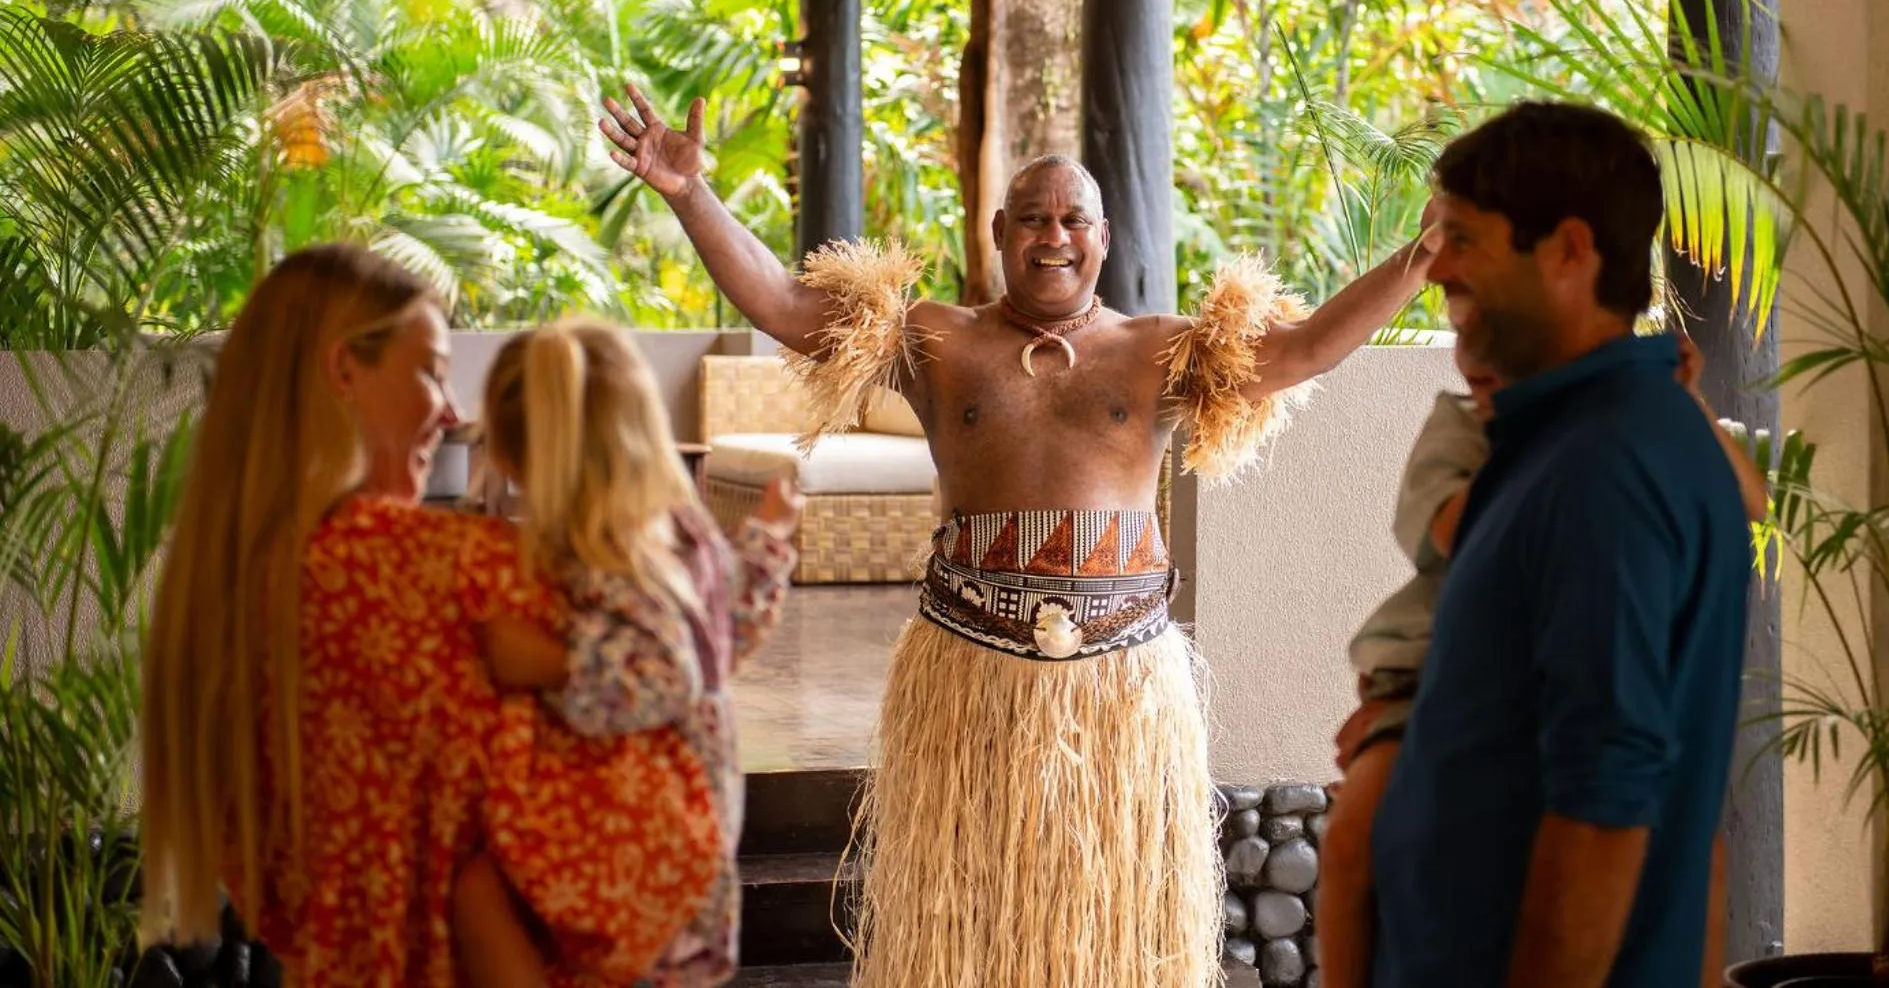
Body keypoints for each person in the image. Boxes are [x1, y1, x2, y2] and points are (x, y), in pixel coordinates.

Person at [599, 87, 1439, 988]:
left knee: (1104, 931)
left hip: (1120, 689)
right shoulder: (935, 339)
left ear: (1104, 238)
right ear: (1000, 232)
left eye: (1075, 218)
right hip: (968, 677)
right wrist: (690, 193)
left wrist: (1420, 258)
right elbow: (782, 304)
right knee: (967, 924)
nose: (1054, 234)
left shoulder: (1159, 348)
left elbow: (1305, 348)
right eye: (1033, 217)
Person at [1366, 101, 1754, 988]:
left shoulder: (1605, 469)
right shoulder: (1574, 441)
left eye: (1465, 237)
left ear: (1571, 250)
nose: (1441, 271)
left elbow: (1602, 812)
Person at [140, 244, 552, 985]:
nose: (454, 409)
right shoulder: (406, 566)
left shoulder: (232, 590)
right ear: (344, 372)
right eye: (430, 369)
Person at [1316, 333, 1769, 987]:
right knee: (1352, 835)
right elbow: (1454, 529)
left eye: (1490, 337)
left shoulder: (1609, 430)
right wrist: (1566, 440)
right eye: (1464, 336)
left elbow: (1748, 499)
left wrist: (1682, 401)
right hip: (1425, 672)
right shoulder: (1463, 429)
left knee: (1700, 859)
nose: (1475, 355)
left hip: (1554, 668)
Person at [451, 319, 801, 988]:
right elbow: (720, 644)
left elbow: (669, 671)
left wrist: (554, 662)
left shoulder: (604, 552)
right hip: (690, 845)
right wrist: (768, 542)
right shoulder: (680, 530)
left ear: (520, 459)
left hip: (638, 845)